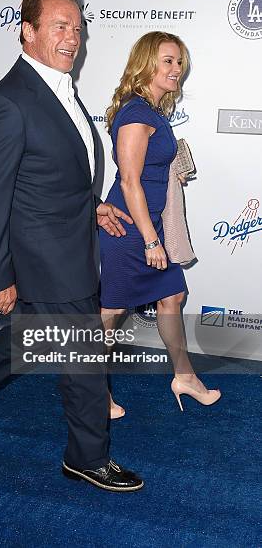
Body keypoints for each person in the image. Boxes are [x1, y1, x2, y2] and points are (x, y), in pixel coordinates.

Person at [0, 0, 144, 492]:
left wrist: (93, 208)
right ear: (28, 31)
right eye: (60, 26)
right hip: (46, 258)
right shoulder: (8, 103)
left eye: (78, 28)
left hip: (69, 242)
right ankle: (87, 457)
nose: (73, 38)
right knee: (84, 359)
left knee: (29, 343)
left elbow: (50, 174)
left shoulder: (57, 87)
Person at [100, 32, 221, 413]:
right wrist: (152, 241)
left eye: (179, 62)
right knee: (111, 312)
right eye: (167, 61)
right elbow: (129, 180)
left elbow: (150, 170)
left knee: (173, 296)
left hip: (148, 224)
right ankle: (90, 392)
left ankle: (184, 376)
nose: (176, 69)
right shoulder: (136, 113)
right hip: (127, 229)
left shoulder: (154, 112)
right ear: (146, 63)